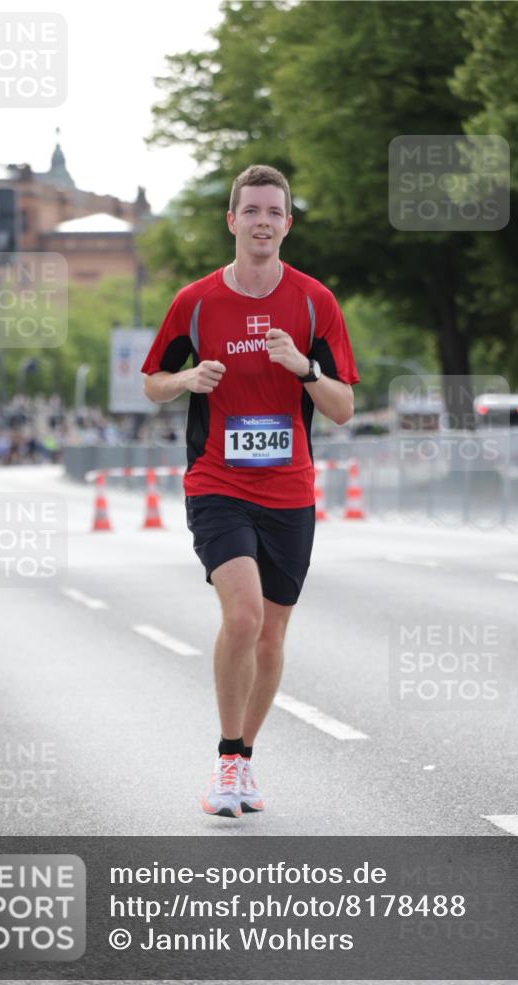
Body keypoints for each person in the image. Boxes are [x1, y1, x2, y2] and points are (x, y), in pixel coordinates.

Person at [142, 164, 359, 817]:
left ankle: (241, 765)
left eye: (274, 211)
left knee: (270, 638)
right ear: (231, 221)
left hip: (290, 490)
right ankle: (227, 760)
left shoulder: (315, 302)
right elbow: (153, 377)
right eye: (251, 211)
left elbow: (343, 406)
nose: (262, 221)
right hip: (217, 482)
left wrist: (304, 368)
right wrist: (187, 382)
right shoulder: (197, 301)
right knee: (243, 617)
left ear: (286, 224)